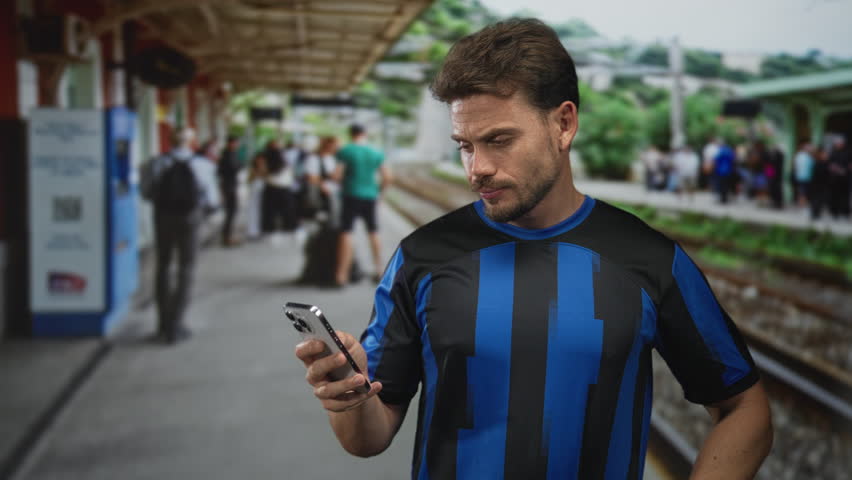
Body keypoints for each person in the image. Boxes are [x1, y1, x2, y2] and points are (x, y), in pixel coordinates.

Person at [294, 18, 772, 479]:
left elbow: (743, 409)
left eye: (499, 140)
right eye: (464, 145)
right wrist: (352, 397)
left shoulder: (648, 258)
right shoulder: (422, 256)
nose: (476, 167)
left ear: (563, 124)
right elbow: (367, 439)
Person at [140, 127, 219, 344]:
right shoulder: (203, 164)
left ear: (170, 141)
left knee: (163, 266)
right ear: (191, 141)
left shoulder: (156, 163)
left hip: (163, 216)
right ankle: (177, 324)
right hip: (190, 218)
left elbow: (146, 192)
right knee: (186, 267)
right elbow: (211, 199)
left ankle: (163, 323)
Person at [332, 124, 391, 286]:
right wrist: (379, 192)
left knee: (346, 232)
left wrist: (344, 182)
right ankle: (379, 270)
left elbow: (336, 175)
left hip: (350, 195)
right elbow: (387, 177)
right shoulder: (376, 152)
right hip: (370, 196)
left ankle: (341, 275)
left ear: (351, 134)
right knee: (373, 231)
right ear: (365, 134)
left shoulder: (345, 151)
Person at [217, 135, 242, 246]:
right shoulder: (227, 155)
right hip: (229, 186)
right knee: (231, 211)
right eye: (236, 143)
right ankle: (227, 236)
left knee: (232, 211)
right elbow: (233, 167)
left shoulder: (230, 154)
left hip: (230, 185)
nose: (237, 145)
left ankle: (228, 235)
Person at [827, 135, 851, 219]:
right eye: (838, 143)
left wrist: (847, 168)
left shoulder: (848, 152)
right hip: (835, 179)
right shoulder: (832, 153)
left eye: (841, 143)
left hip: (845, 178)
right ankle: (834, 212)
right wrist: (835, 168)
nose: (839, 144)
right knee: (834, 196)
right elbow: (829, 164)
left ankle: (845, 212)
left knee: (844, 196)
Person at [245, 152, 266, 240]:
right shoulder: (252, 169)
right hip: (254, 190)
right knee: (253, 211)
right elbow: (249, 180)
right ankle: (252, 231)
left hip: (260, 190)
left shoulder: (264, 167)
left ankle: (257, 230)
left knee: (259, 211)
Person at [793, 139, 814, 207]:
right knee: (802, 190)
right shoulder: (803, 156)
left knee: (803, 190)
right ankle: (802, 202)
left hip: (804, 176)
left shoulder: (803, 155)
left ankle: (802, 202)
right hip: (803, 176)